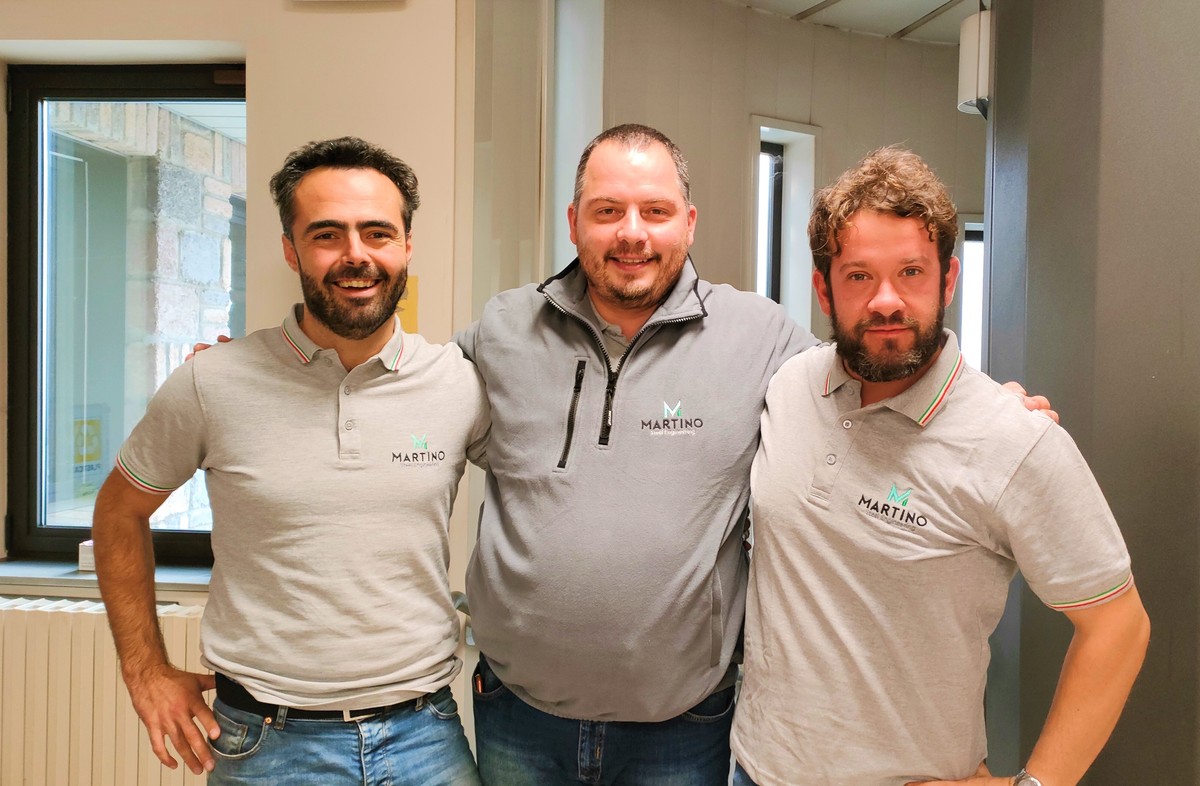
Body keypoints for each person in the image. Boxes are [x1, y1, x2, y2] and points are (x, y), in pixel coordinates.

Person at [730, 147, 1150, 786]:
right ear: (823, 289)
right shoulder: (788, 386)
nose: (886, 301)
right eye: (859, 276)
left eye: (911, 272)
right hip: (755, 769)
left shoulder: (1015, 440)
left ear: (948, 280)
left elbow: (1118, 626)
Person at [93, 136, 488, 785]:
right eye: (327, 234)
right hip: (267, 747)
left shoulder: (460, 383)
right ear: (290, 248)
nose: (356, 254)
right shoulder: (212, 382)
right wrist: (145, 673)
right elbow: (118, 511)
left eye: (378, 233)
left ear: (407, 246)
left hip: (426, 739)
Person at [453, 123, 818, 784]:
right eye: (607, 211)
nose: (632, 233)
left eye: (655, 211)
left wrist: (991, 404)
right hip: (520, 713)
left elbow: (862, 399)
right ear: (573, 223)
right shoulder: (504, 330)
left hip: (681, 725)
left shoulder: (760, 336)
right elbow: (405, 395)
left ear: (689, 223)